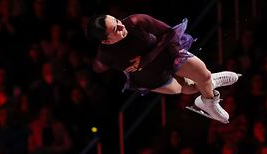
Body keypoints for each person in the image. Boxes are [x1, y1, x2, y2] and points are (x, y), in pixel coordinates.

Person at [86, 14, 241, 123]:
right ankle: (208, 88)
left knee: (204, 77)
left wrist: (146, 58)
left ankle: (209, 102)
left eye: (117, 20)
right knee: (190, 88)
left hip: (165, 54)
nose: (121, 26)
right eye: (115, 30)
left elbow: (169, 33)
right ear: (106, 42)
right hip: (149, 76)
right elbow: (97, 68)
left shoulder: (136, 21)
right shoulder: (105, 55)